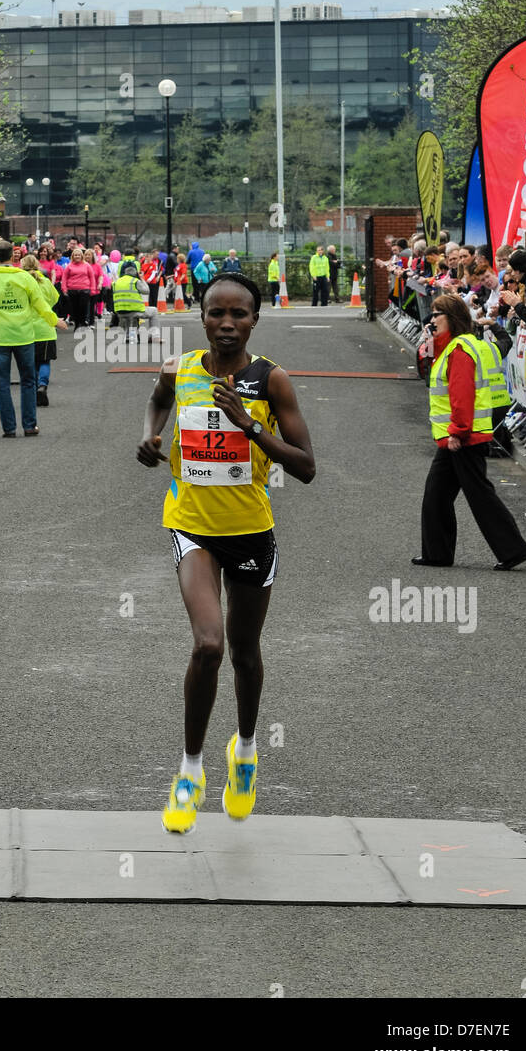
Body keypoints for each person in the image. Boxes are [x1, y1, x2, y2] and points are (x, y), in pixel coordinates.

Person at [137, 272, 315, 834]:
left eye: (240, 314)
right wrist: (151, 435)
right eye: (217, 313)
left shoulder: (272, 381)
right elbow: (157, 401)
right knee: (208, 645)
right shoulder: (181, 368)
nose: (227, 324)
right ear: (202, 317)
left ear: (255, 321)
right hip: (191, 526)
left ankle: (245, 751)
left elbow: (307, 467)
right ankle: (190, 771)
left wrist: (250, 427)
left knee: (244, 652)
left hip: (250, 531)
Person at [413, 292, 526, 571]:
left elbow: (462, 394)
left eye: (437, 314)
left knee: (478, 495)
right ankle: (437, 553)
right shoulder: (453, 345)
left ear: (451, 318)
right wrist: (429, 340)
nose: (432, 320)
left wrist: (458, 431)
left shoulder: (459, 350)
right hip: (457, 437)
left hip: (463, 437)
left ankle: (513, 549)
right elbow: (424, 366)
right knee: (437, 494)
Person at [0, 239, 67, 437]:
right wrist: (54, 321)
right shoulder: (25, 278)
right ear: (12, 256)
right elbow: (41, 304)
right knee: (28, 381)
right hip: (24, 336)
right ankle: (29, 425)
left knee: (1, 384)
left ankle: (9, 428)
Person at [20, 254, 59, 406]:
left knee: (32, 362)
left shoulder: (21, 281)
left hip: (26, 328)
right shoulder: (46, 281)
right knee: (44, 361)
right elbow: (55, 298)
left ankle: (36, 388)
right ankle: (42, 385)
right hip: (45, 328)